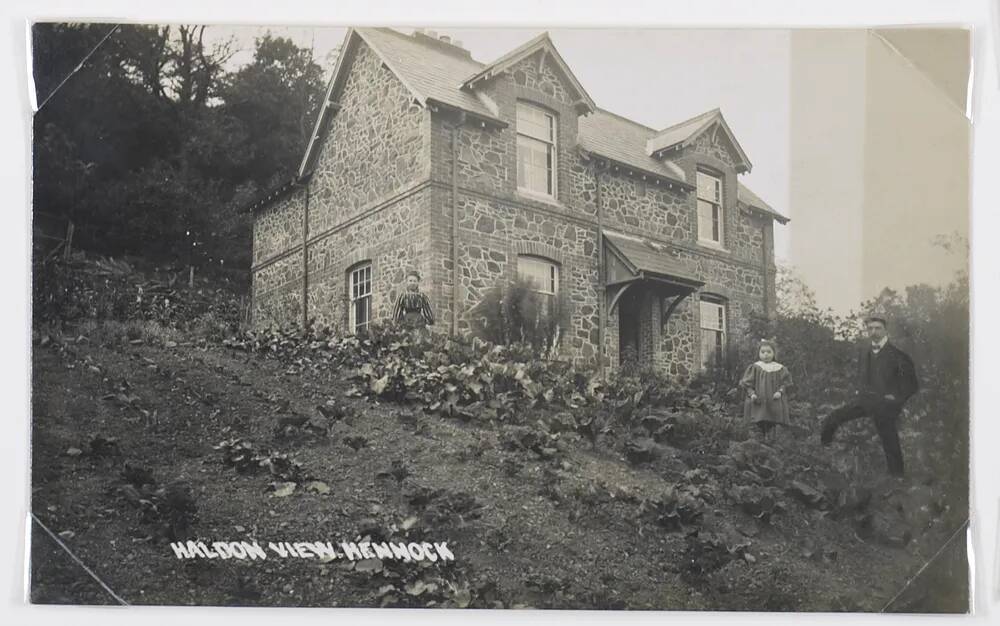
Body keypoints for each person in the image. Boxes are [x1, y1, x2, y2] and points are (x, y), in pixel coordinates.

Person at [820, 316, 919, 476]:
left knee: (889, 439)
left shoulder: (898, 356)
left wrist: (896, 398)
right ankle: (824, 452)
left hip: (887, 405)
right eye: (870, 328)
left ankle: (897, 479)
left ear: (885, 330)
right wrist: (860, 390)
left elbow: (912, 385)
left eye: (877, 328)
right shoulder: (864, 353)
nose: (874, 331)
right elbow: (862, 376)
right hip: (866, 401)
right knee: (834, 417)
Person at [739, 339, 794, 441]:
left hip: (774, 400)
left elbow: (785, 383)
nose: (766, 355)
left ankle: (773, 439)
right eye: (763, 352)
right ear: (759, 353)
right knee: (759, 421)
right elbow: (747, 384)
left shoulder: (779, 368)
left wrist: (780, 391)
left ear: (774, 353)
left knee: (774, 421)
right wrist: (752, 394)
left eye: (769, 352)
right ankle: (758, 439)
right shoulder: (755, 367)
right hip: (759, 400)